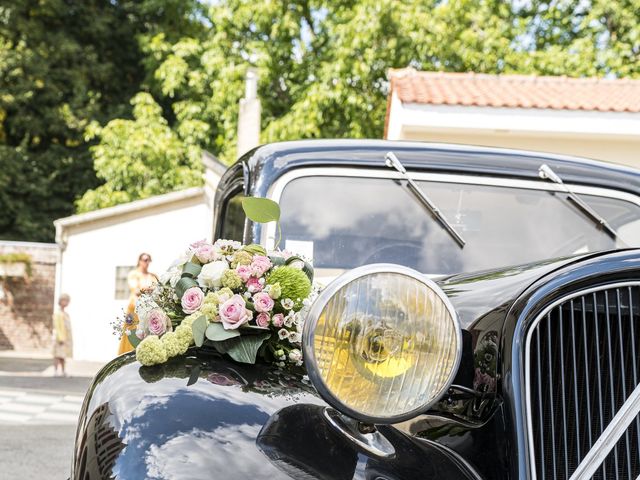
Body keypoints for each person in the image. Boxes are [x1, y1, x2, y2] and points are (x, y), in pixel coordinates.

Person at [117, 253, 158, 355]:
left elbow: (158, 288)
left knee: (146, 330)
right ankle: (127, 352)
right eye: (145, 260)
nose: (147, 262)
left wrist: (146, 289)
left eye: (149, 260)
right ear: (139, 261)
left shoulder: (152, 276)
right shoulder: (134, 274)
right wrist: (149, 289)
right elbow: (135, 290)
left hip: (148, 308)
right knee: (130, 330)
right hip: (134, 307)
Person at [52, 293, 73, 377]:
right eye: (65, 301)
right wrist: (60, 337)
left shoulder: (66, 314)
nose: (67, 303)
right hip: (60, 338)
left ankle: (63, 371)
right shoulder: (58, 314)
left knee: (63, 356)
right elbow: (57, 326)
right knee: (57, 355)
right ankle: (56, 371)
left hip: (66, 338)